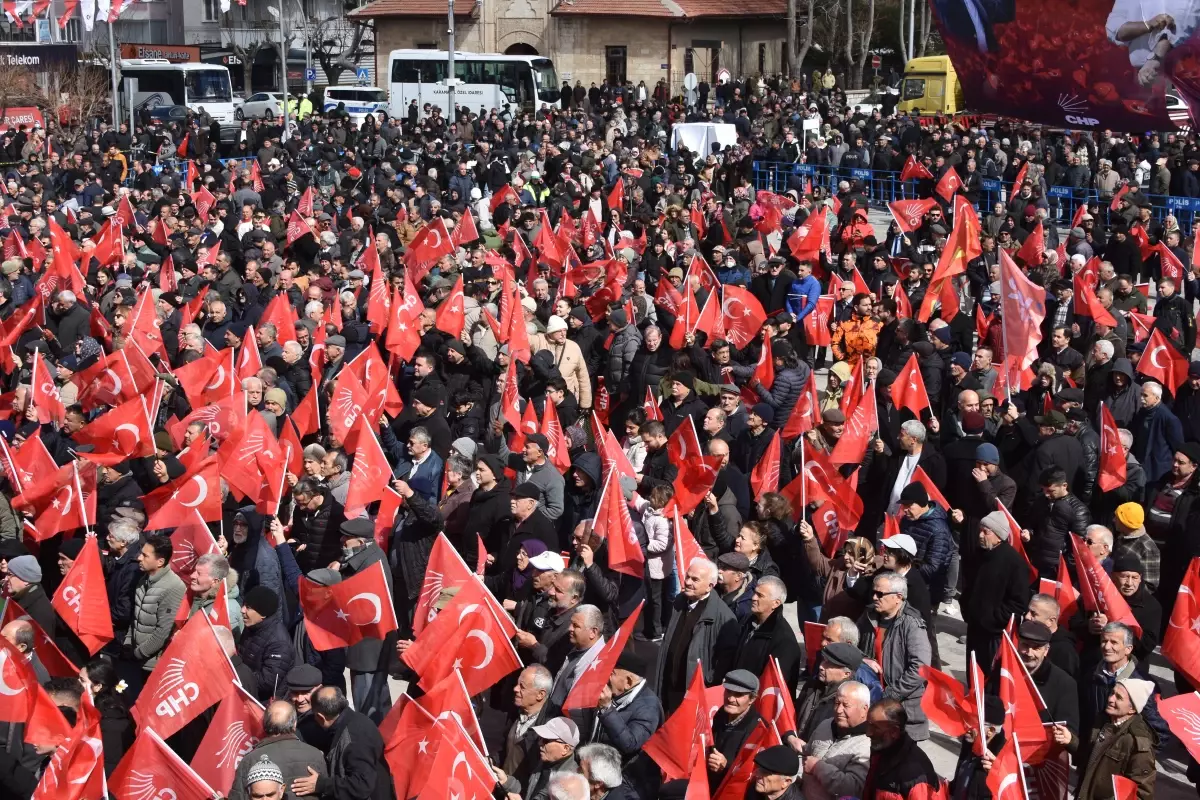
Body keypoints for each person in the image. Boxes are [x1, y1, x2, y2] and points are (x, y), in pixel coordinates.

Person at [650, 557, 740, 714]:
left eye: (695, 579)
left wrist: (707, 680)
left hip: (693, 691)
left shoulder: (723, 617)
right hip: (669, 686)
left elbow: (725, 661)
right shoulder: (679, 601)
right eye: (688, 577)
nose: (688, 582)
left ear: (710, 586)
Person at [855, 572, 932, 740]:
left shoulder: (912, 624)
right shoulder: (869, 615)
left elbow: (920, 667)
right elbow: (852, 643)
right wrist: (862, 658)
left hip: (903, 711)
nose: (874, 597)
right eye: (873, 593)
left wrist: (892, 694)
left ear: (898, 597)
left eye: (880, 594)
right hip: (873, 701)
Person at [289, 686, 389, 800]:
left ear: (321, 717)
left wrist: (321, 784)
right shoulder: (353, 719)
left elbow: (362, 786)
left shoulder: (353, 740)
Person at [964, 510, 1032, 670]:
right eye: (980, 531)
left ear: (998, 535)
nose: (980, 535)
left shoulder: (1014, 563)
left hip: (994, 633)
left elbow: (1018, 604)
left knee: (989, 676)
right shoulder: (979, 555)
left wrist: (992, 618)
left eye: (985, 532)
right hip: (974, 627)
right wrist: (967, 608)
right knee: (973, 672)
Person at [1070, 678, 1157, 800]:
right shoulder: (1102, 721)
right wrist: (1070, 741)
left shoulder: (1137, 742)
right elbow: (1090, 758)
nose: (1110, 699)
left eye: (1119, 697)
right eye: (1112, 693)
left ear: (1132, 709)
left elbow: (1142, 793)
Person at [121, 534, 187, 694]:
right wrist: (128, 643)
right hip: (135, 658)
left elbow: (163, 631)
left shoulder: (173, 587)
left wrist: (139, 652)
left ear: (160, 561)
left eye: (145, 555)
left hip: (152, 665)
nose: (139, 558)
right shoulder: (143, 579)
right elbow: (136, 616)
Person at [228, 700, 328, 800]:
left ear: (264, 725)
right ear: (294, 724)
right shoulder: (315, 755)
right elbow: (327, 794)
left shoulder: (250, 760)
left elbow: (238, 796)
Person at [861, 699, 947, 800]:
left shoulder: (913, 774)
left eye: (875, 727)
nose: (868, 733)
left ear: (894, 731)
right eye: (869, 725)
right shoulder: (881, 751)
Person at [731, 575, 802, 693]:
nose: (753, 597)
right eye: (755, 592)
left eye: (760, 595)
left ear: (776, 603)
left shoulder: (784, 641)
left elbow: (773, 686)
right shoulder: (749, 621)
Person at [801, 681, 871, 800]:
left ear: (864, 709)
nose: (838, 710)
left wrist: (818, 768)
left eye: (846, 705)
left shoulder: (868, 743)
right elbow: (806, 758)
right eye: (837, 703)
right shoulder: (825, 725)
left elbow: (854, 788)